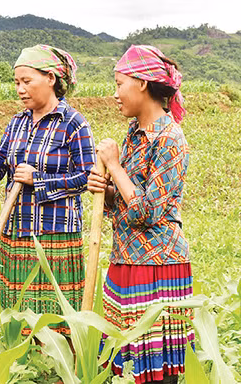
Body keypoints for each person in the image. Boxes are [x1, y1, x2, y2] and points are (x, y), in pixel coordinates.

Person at [88, 45, 194, 384]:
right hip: (126, 259)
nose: (115, 94)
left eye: (119, 84)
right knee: (126, 365)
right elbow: (124, 202)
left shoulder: (170, 138)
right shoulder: (133, 134)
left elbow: (147, 211)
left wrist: (116, 167)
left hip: (157, 265)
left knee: (156, 371)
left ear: (143, 84)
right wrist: (103, 190)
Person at [0, 45, 95, 335]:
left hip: (55, 233)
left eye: (27, 81)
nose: (20, 89)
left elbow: (88, 177)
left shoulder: (73, 124)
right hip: (16, 230)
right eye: (16, 83)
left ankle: (60, 372)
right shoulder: (16, 123)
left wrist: (38, 179)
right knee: (19, 315)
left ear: (51, 78)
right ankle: (22, 367)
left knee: (56, 316)